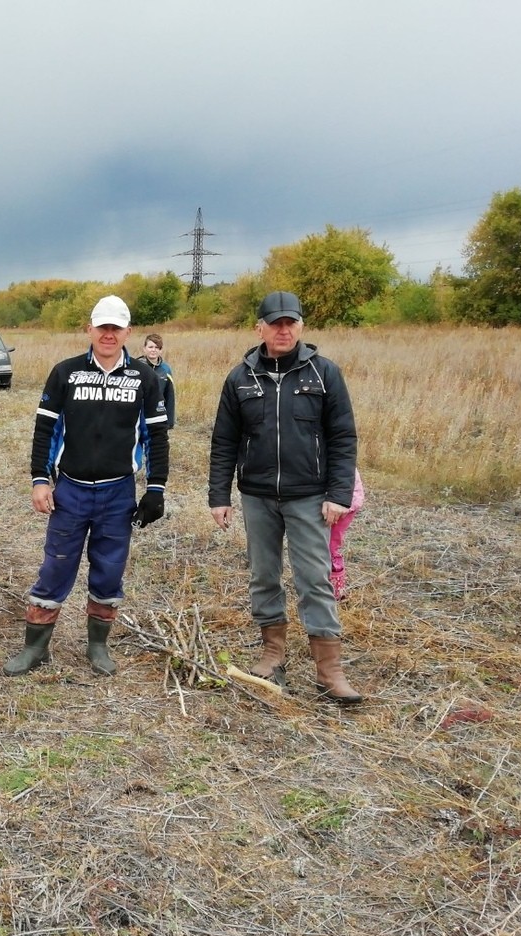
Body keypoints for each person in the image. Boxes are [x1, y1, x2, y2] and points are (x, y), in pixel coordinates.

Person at [208, 291, 363, 705]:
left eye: (290, 322)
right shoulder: (240, 377)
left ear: (301, 326)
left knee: (314, 578)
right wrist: (218, 495)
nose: (283, 329)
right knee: (263, 574)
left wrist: (338, 493)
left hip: (310, 497)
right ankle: (272, 651)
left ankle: (329, 670)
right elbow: (224, 441)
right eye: (275, 323)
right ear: (259, 328)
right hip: (257, 496)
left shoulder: (324, 374)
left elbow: (343, 437)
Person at [3, 295, 170, 678]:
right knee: (56, 566)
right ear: (89, 330)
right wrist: (40, 479)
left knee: (109, 570)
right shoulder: (66, 373)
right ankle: (35, 648)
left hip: (118, 492)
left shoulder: (144, 378)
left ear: (128, 332)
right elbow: (45, 429)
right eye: (102, 327)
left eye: (116, 328)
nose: (108, 334)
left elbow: (156, 436)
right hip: (71, 490)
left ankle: (97, 646)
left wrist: (156, 488)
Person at [329, 469, 366, 600]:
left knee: (330, 546)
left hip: (342, 503)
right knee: (328, 545)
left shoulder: (339, 458)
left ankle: (336, 589)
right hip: (339, 500)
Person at [135, 332, 176, 429]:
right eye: (150, 347)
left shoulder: (166, 369)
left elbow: (169, 396)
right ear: (144, 349)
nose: (153, 350)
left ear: (161, 350)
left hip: (158, 415)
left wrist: (169, 422)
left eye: (157, 347)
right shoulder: (136, 367)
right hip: (138, 416)